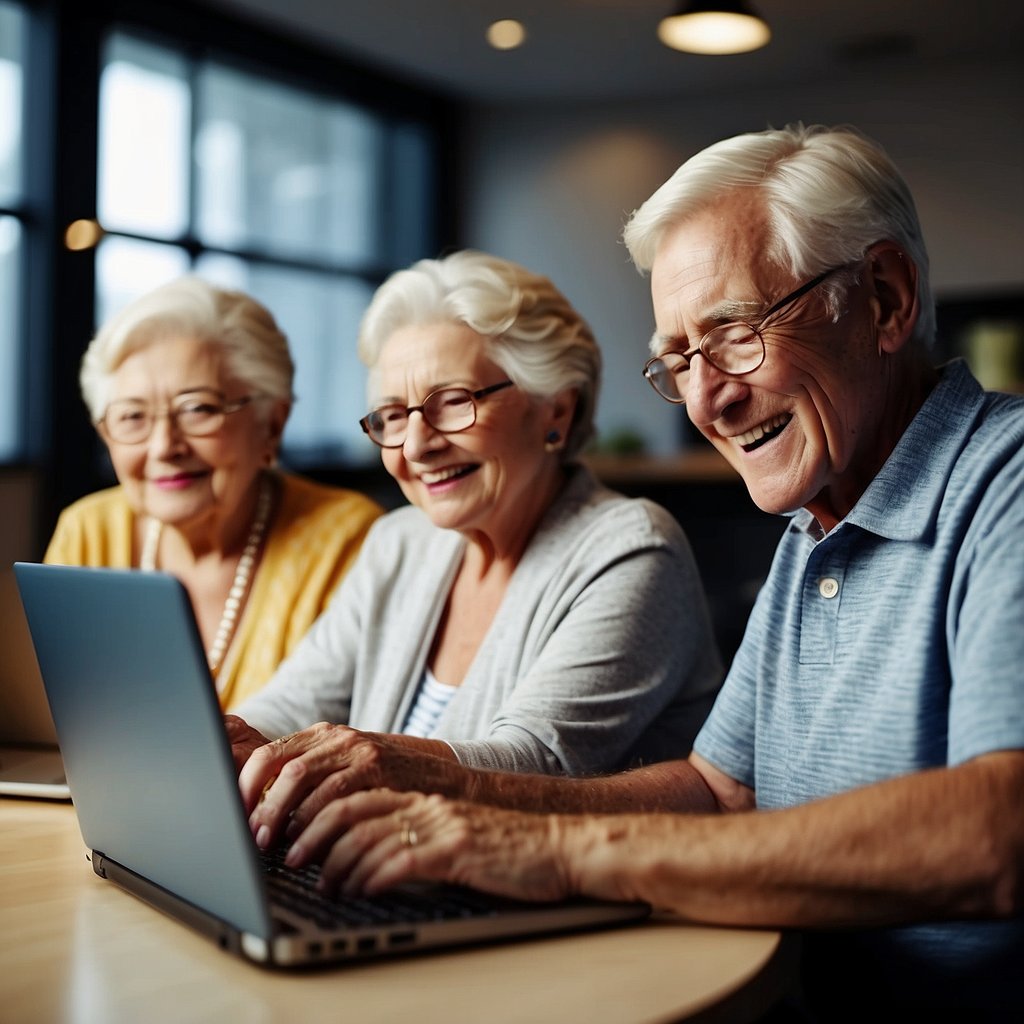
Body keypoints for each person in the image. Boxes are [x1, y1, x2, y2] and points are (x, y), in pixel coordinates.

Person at [276, 127, 1024, 1019]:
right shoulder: (812, 527)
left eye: (737, 334)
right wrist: (459, 798)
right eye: (679, 358)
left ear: (885, 299)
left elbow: (1000, 827)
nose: (706, 398)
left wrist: (559, 853)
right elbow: (718, 790)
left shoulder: (1006, 484)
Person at [229, 249, 723, 848]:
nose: (414, 446)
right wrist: (225, 740)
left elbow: (536, 763)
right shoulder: (400, 543)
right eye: (391, 415)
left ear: (556, 412)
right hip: (398, 884)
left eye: (453, 402)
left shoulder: (631, 549)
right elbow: (289, 704)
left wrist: (372, 760)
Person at [45, 276, 383, 710]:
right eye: (132, 417)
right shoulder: (88, 534)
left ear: (272, 424)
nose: (165, 446)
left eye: (198, 409)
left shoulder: (348, 541)